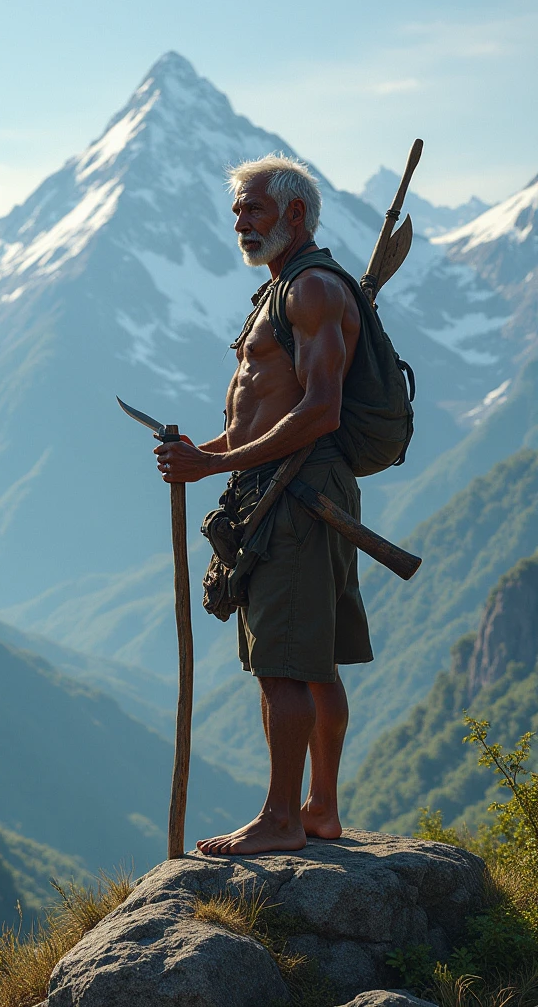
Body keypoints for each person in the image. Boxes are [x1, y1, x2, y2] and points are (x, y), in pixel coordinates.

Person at [153, 154, 373, 855]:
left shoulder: (309, 290)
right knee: (314, 660)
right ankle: (319, 810)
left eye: (254, 210)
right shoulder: (285, 290)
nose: (242, 223)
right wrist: (204, 454)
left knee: (283, 662)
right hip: (296, 489)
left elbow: (320, 410)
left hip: (298, 495)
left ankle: (283, 820)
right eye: (238, 212)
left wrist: (213, 463)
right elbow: (267, 413)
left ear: (296, 213)